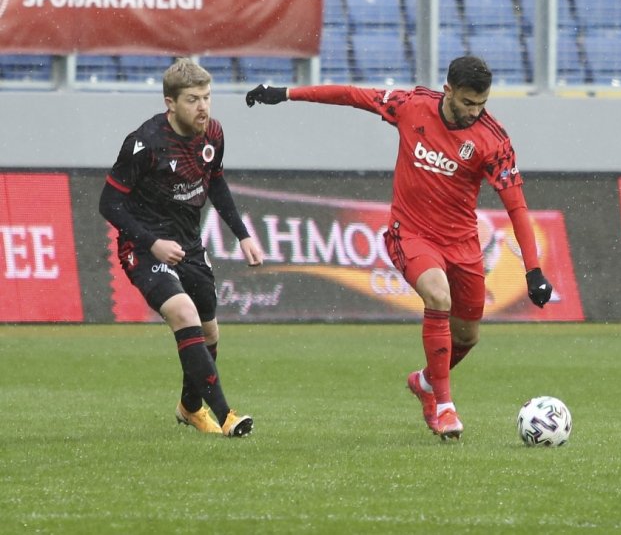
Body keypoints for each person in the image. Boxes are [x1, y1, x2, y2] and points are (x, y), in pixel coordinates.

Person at [245, 55, 552, 440]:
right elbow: (351, 95)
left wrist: (533, 271)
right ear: (449, 91)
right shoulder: (410, 105)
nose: (475, 112)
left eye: (481, 104)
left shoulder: (493, 141)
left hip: (463, 244)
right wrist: (285, 93)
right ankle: (443, 405)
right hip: (410, 234)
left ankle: (425, 383)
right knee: (437, 296)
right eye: (467, 103)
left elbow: (517, 207)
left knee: (468, 337)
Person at [100, 58, 263, 437]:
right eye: (193, 99)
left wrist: (243, 234)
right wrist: (151, 243)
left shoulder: (214, 135)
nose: (203, 107)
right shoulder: (145, 144)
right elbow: (109, 203)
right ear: (170, 103)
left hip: (189, 244)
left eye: (207, 97)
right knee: (183, 312)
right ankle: (226, 415)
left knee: (209, 332)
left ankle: (190, 408)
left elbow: (216, 183)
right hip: (142, 247)